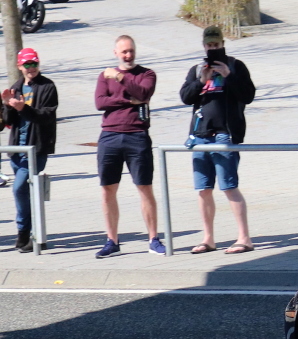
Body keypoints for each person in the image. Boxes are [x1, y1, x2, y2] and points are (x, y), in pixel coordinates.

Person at [179, 26, 257, 254]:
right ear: (204, 45)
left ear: (223, 43)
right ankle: (208, 238)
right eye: (209, 45)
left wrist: (228, 76)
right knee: (203, 189)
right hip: (200, 135)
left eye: (216, 44)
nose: (213, 48)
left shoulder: (235, 66)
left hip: (225, 133)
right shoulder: (196, 70)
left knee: (229, 186)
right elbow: (185, 97)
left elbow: (248, 95)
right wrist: (201, 81)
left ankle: (244, 238)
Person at [94, 35, 161, 258]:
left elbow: (143, 93)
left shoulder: (147, 74)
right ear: (116, 53)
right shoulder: (105, 76)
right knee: (108, 190)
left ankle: (153, 239)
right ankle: (112, 240)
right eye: (124, 52)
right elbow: (100, 102)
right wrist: (126, 101)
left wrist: (121, 78)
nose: (128, 55)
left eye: (131, 51)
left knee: (144, 187)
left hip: (137, 136)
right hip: (110, 136)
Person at [2, 49, 57, 253]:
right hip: (18, 149)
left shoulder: (47, 86)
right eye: (27, 65)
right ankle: (30, 234)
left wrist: (22, 107)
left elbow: (46, 116)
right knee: (23, 192)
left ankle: (25, 231)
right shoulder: (16, 87)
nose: (31, 68)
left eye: (34, 64)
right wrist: (7, 105)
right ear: (19, 67)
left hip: (36, 149)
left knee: (18, 188)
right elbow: (9, 122)